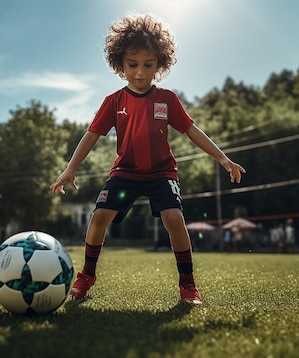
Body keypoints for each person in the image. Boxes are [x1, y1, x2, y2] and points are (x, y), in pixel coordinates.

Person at [49, 13, 246, 305]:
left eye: (148, 65)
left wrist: (223, 158)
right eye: (132, 65)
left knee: (174, 218)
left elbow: (192, 130)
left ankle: (188, 286)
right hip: (125, 173)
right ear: (120, 64)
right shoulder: (113, 101)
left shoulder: (167, 99)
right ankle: (86, 276)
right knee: (100, 216)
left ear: (160, 64)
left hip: (162, 173)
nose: (140, 72)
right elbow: (91, 135)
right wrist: (70, 168)